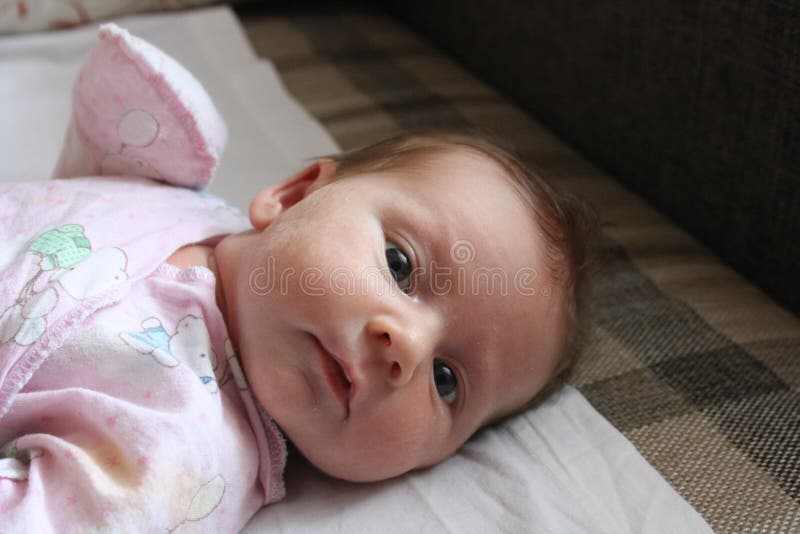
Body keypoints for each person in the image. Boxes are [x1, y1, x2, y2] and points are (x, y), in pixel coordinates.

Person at [0, 24, 597, 533]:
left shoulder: (183, 452)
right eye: (400, 265)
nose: (407, 347)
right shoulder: (183, 200)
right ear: (294, 194)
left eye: (447, 381)